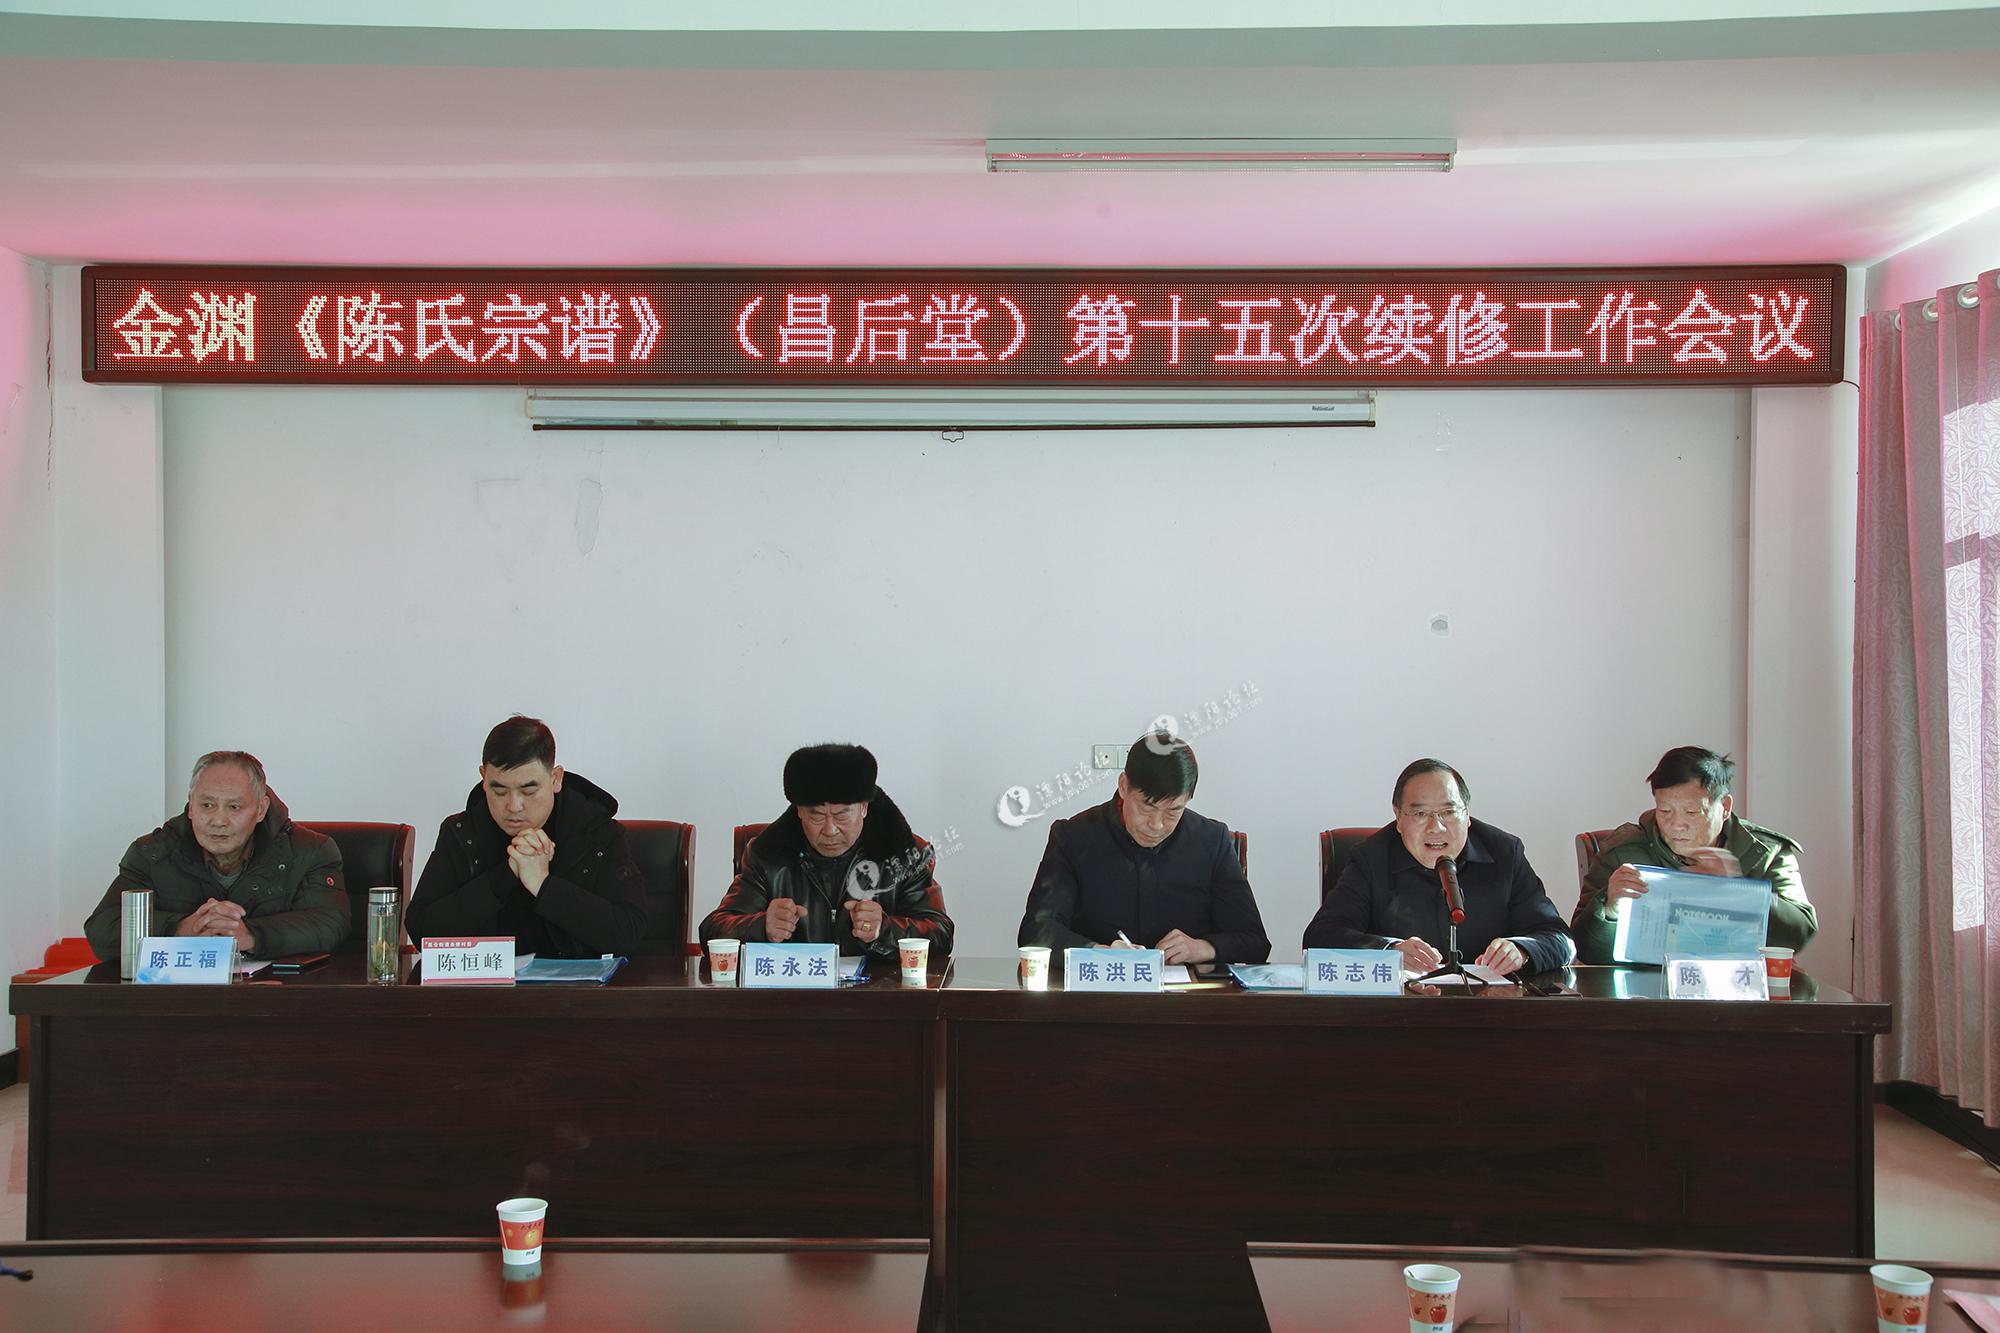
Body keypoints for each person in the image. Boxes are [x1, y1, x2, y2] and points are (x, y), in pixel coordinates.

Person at [1018, 731, 1271, 965]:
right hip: (1097, 991)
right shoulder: (1074, 837)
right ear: (1124, 786)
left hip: (1188, 994)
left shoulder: (1211, 841)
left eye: (1173, 811)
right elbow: (1036, 931)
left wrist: (1202, 948)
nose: (1157, 825)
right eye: (1147, 807)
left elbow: (1255, 942)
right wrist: (1099, 952)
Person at [1303, 758, 1572, 976]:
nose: (1436, 827)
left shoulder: (1504, 853)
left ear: (1466, 814)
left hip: (1492, 1009)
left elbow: (1561, 940)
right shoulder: (1371, 858)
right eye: (1420, 814)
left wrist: (1522, 951)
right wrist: (1389, 951)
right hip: (1400, 1012)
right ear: (1398, 817)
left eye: (1448, 812)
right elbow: (1319, 938)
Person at [405, 715, 645, 958]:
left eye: (528, 791)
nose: (514, 806)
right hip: (487, 981)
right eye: (500, 790)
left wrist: (542, 884)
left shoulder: (597, 832)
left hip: (575, 982)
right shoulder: (462, 833)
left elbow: (628, 933)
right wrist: (506, 874)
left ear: (555, 779)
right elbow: (422, 931)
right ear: (484, 779)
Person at [85, 750, 347, 961]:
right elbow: (102, 928)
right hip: (176, 996)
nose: (218, 820)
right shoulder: (153, 853)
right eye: (207, 805)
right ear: (191, 805)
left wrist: (249, 935)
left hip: (275, 996)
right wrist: (181, 929)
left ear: (260, 809)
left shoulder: (309, 851)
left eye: (234, 807)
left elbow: (330, 924)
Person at [701, 743, 953, 960]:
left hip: (877, 997)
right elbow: (713, 931)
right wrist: (761, 927)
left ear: (864, 808)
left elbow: (940, 935)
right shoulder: (768, 856)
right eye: (817, 816)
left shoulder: (905, 855)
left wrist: (884, 931)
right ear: (799, 811)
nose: (830, 830)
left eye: (842, 814)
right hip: (791, 997)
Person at [1571, 745, 1815, 964]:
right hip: (1645, 991)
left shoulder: (1766, 852)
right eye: (1665, 811)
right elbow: (1584, 951)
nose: (1676, 824)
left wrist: (1739, 890)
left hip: (1739, 988)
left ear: (1725, 807)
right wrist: (1609, 909)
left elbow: (1799, 934)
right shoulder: (1622, 853)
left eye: (1691, 812)